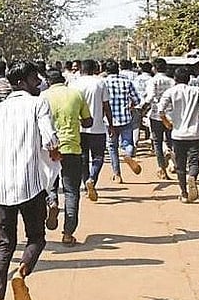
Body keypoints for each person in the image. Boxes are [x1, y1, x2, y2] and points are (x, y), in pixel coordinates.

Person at [0, 61, 60, 300]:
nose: (39, 83)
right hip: (30, 184)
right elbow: (50, 139)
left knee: (4, 244)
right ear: (22, 81)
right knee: (36, 237)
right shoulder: (38, 104)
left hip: (2, 187)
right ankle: (21, 273)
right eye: (35, 79)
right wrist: (53, 151)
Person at [41, 69, 92, 245]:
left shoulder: (43, 97)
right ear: (64, 80)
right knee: (71, 191)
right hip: (72, 147)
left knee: (49, 184)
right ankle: (68, 233)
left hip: (49, 148)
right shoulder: (76, 94)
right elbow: (88, 121)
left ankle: (52, 202)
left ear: (48, 82)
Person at [157, 67, 199, 203]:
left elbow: (160, 109)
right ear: (189, 79)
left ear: (175, 79)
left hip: (177, 134)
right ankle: (192, 176)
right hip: (195, 134)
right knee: (194, 162)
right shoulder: (197, 91)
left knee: (180, 166)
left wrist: (166, 122)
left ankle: (184, 193)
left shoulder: (170, 92)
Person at [73, 59, 113, 202]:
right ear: (94, 69)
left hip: (79, 127)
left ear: (81, 69)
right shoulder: (100, 83)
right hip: (97, 127)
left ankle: (86, 184)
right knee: (98, 157)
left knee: (83, 158)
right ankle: (92, 179)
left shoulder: (74, 83)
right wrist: (111, 124)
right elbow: (106, 106)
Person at [102, 60, 142, 183]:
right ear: (117, 69)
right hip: (125, 118)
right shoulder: (126, 82)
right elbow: (137, 100)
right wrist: (130, 106)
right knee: (127, 143)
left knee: (112, 147)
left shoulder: (103, 83)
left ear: (106, 70)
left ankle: (117, 174)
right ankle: (128, 155)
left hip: (109, 121)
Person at [144, 58, 176, 179]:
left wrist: (142, 107)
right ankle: (171, 158)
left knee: (157, 142)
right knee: (170, 140)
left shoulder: (153, 81)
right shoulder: (172, 81)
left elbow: (150, 96)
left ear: (154, 68)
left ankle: (161, 168)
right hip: (170, 115)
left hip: (156, 114)